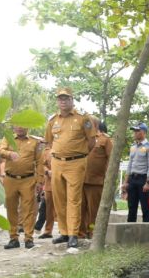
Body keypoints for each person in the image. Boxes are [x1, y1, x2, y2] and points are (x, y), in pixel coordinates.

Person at [45, 87, 97, 250]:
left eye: (66, 98)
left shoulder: (83, 118)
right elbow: (48, 142)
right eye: (60, 98)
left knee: (73, 199)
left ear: (72, 100)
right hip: (57, 162)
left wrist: (79, 155)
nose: (63, 101)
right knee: (59, 199)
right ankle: (64, 232)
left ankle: (74, 234)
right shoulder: (53, 120)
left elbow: (92, 141)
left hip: (76, 163)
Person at [0, 126, 43, 250]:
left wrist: (40, 181)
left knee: (28, 209)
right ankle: (13, 238)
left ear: (27, 127)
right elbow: (0, 150)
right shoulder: (8, 138)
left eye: (22, 125)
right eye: (17, 125)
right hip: (10, 179)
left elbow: (39, 161)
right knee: (11, 209)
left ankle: (29, 238)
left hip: (28, 179)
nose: (19, 128)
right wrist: (9, 153)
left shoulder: (35, 142)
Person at [81, 120, 113, 239]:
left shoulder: (105, 139)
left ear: (95, 125)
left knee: (93, 211)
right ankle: (81, 233)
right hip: (80, 180)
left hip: (96, 181)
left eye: (89, 124)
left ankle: (92, 232)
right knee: (80, 209)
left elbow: (111, 159)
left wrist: (108, 178)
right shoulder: (83, 139)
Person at [121, 122, 149, 223]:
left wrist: (148, 182)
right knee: (132, 207)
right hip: (132, 179)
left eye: (137, 131)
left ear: (144, 132)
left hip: (143, 179)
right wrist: (125, 182)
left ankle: (146, 232)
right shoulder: (133, 146)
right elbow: (130, 165)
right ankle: (130, 231)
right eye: (134, 131)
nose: (135, 133)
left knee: (145, 208)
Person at [36, 144, 56, 239]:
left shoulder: (65, 147)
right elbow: (42, 165)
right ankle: (48, 231)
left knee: (64, 207)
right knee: (48, 208)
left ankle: (67, 232)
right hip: (49, 184)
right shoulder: (46, 151)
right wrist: (47, 171)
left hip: (64, 183)